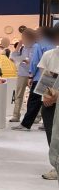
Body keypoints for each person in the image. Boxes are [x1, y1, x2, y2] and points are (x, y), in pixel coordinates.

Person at [13, 26, 55, 131]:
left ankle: (25, 124)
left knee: (33, 101)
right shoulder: (53, 44)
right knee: (48, 101)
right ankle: (46, 124)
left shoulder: (39, 45)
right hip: (52, 77)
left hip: (40, 77)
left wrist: (31, 75)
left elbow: (35, 62)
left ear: (41, 34)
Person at [32, 29, 59, 180]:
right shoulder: (49, 54)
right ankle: (56, 166)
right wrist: (48, 96)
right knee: (52, 134)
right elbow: (45, 77)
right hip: (49, 99)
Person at [10, 30, 35, 122]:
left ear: (31, 38)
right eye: (22, 38)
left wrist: (29, 62)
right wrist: (18, 46)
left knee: (34, 96)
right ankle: (16, 116)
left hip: (32, 74)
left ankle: (35, 116)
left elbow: (36, 61)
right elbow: (13, 57)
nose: (23, 39)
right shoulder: (22, 48)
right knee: (18, 95)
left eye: (25, 38)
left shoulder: (36, 47)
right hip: (22, 73)